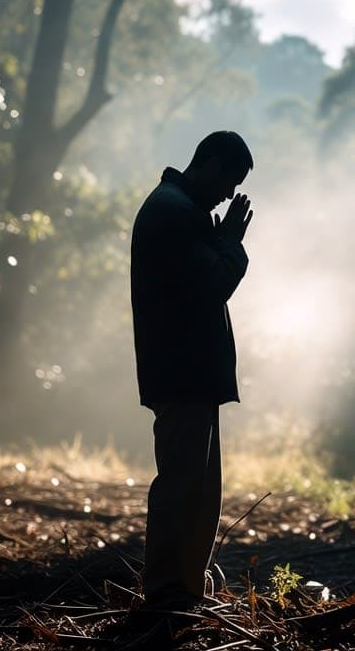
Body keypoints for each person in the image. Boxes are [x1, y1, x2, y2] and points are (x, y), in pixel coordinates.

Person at [130, 131, 254, 608]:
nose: (228, 193)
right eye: (229, 180)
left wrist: (221, 240)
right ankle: (167, 589)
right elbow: (211, 285)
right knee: (183, 487)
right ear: (209, 163)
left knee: (198, 492)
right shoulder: (173, 213)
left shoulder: (181, 210)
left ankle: (183, 588)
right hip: (182, 373)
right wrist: (230, 244)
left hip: (190, 374)